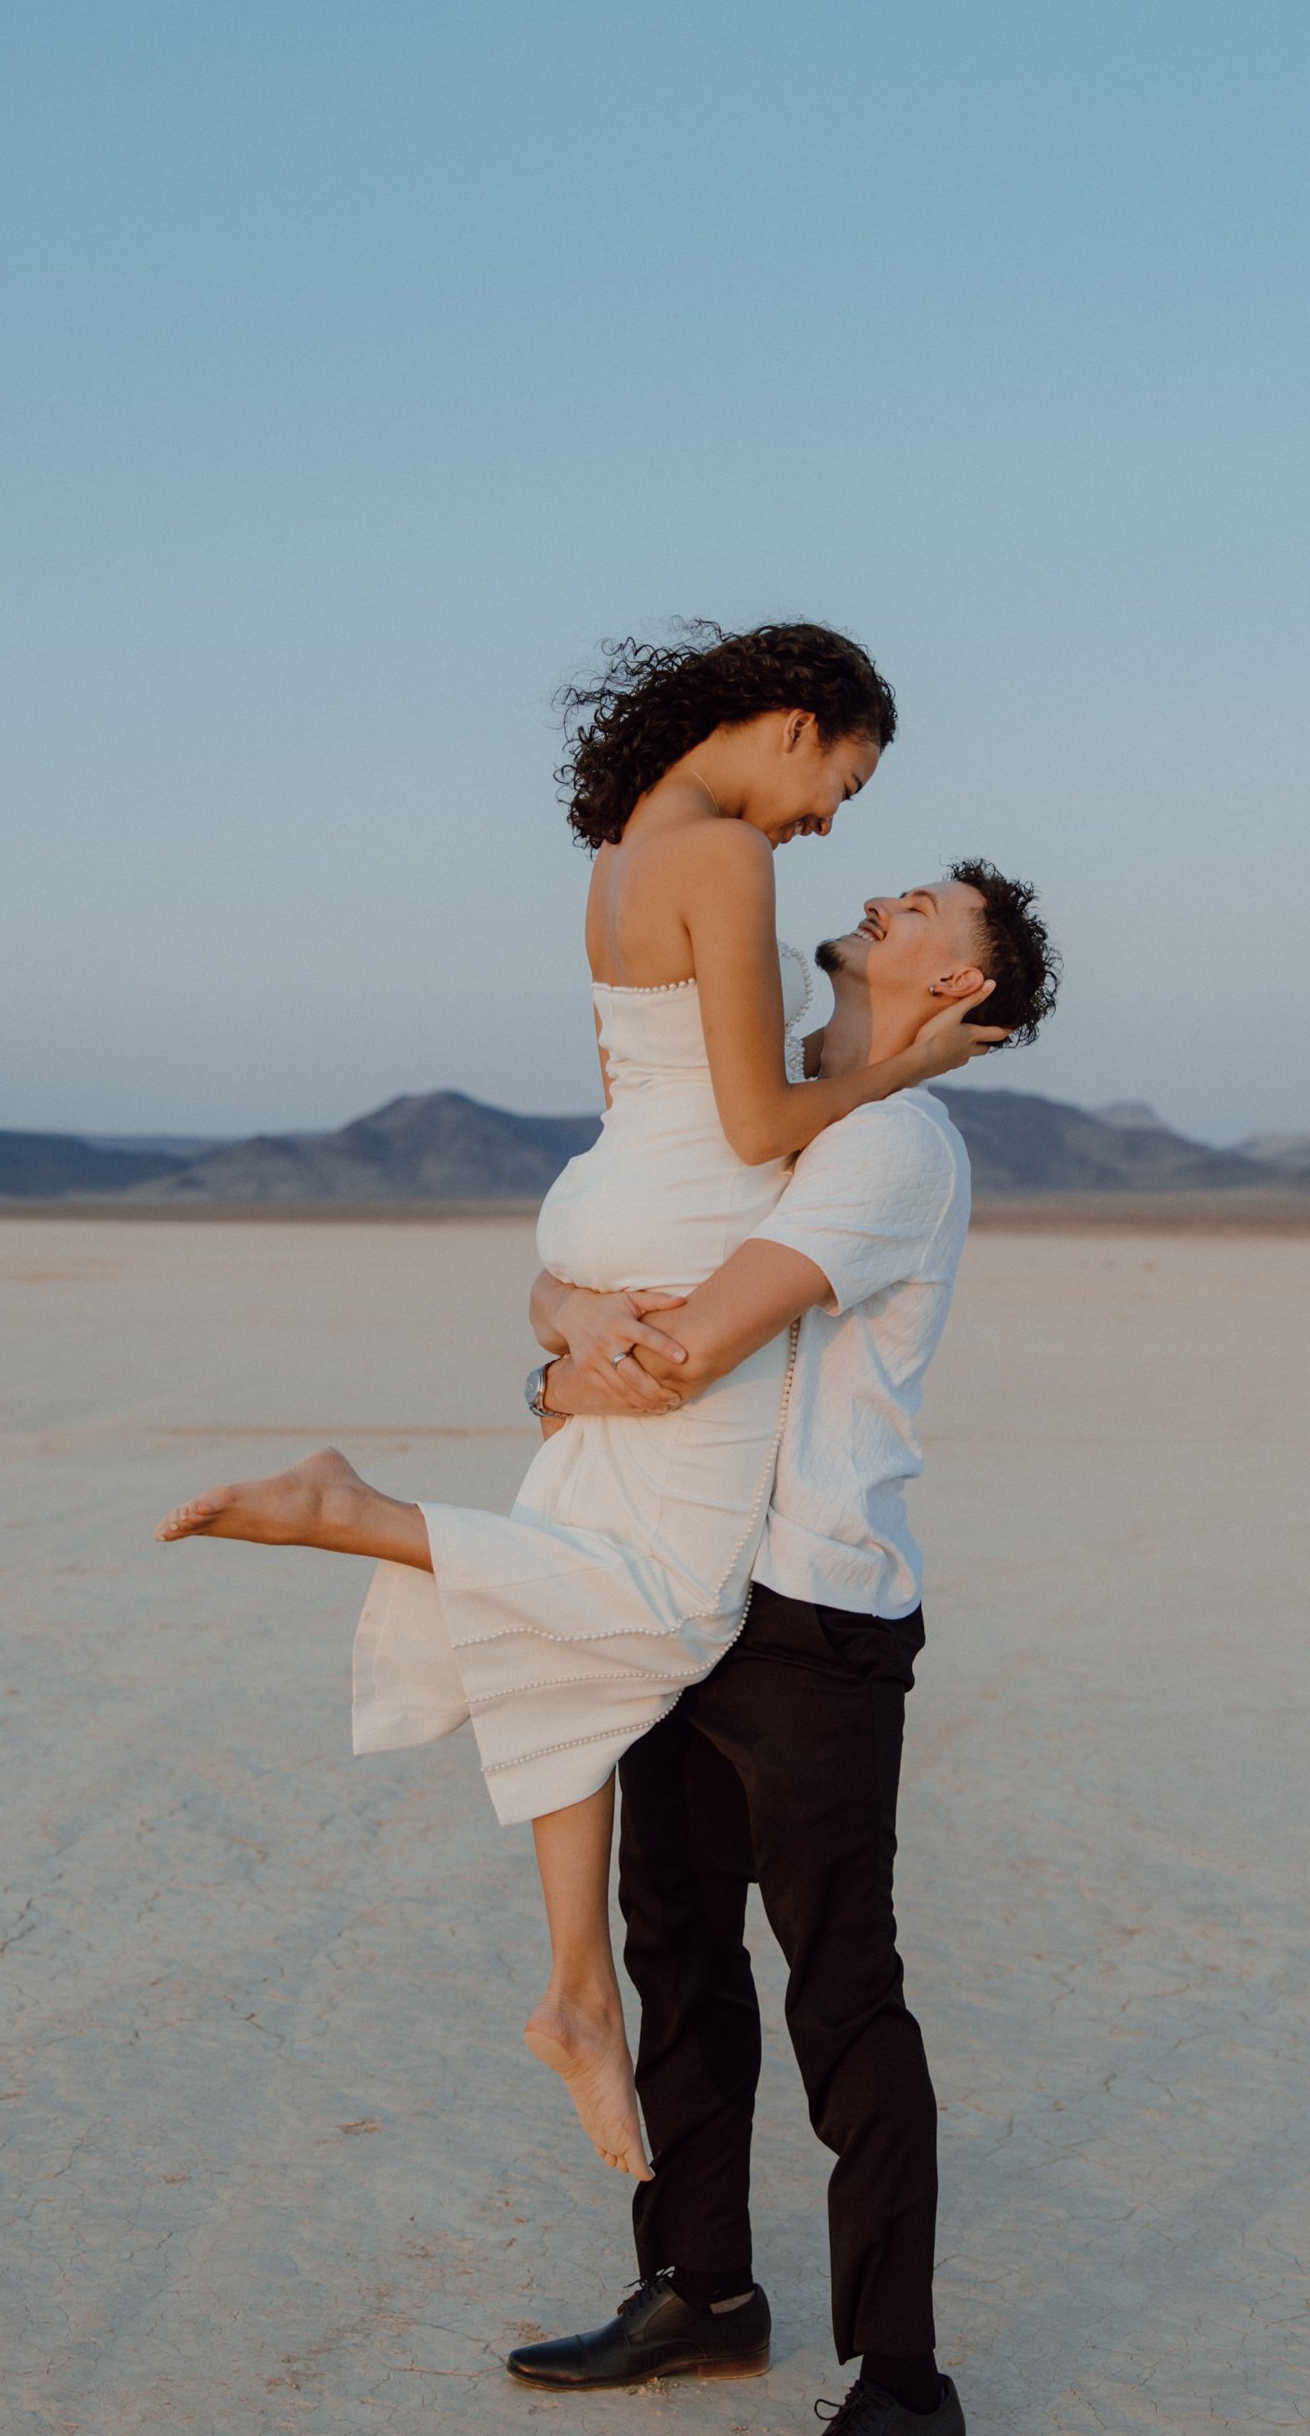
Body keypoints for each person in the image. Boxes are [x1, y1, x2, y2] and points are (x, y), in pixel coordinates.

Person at [156, 622, 1003, 2190]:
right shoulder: (728, 854)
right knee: (668, 1605)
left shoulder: (621, 854)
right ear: (795, 723)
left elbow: (635, 1094)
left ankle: (574, 1992)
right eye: (844, 779)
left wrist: (560, 1310)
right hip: (690, 1231)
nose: (830, 822)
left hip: (606, 1212)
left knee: (577, 1596)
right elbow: (756, 1123)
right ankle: (357, 1513)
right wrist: (910, 1067)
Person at [503, 858, 1058, 2436]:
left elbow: (688, 1344)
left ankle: (905, 2389)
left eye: (927, 908)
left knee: (840, 1994)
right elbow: (593, 1260)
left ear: (960, 990)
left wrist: (561, 1369)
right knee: (675, 1945)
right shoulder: (775, 1114)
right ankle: (702, 2288)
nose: (886, 894)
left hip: (813, 1614)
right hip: (689, 1584)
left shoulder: (892, 1144)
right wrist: (563, 1321)